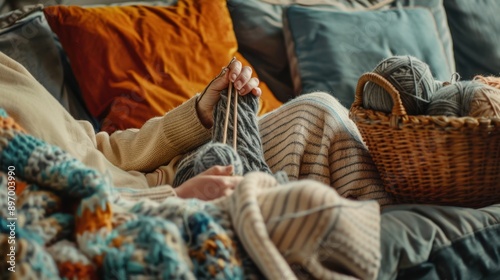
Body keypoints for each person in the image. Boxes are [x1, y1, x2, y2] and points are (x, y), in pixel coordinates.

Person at [0, 51, 392, 206]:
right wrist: (176, 197)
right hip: (145, 206)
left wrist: (202, 113)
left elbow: (102, 149)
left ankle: (386, 220)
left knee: (316, 111)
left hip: (170, 173)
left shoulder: (7, 68)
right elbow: (20, 224)